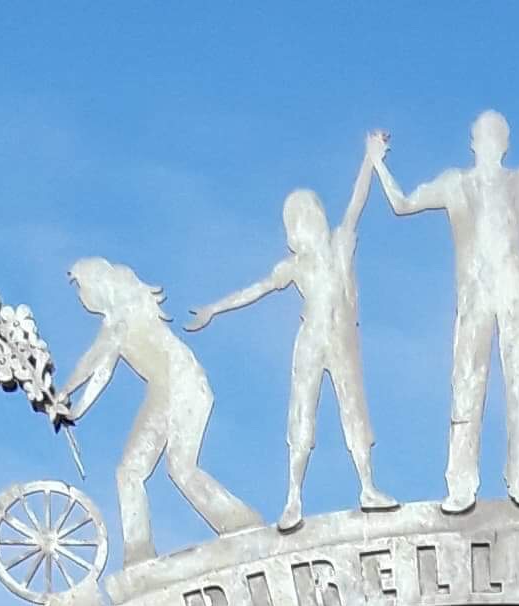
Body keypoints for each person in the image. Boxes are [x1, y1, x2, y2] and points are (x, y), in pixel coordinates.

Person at [370, 104, 519, 513]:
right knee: (467, 386)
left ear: (504, 144)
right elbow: (402, 203)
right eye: (483, 135)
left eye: (495, 136)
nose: (488, 142)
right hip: (474, 296)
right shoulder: (454, 184)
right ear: (474, 143)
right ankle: (460, 484)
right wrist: (376, 163)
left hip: (513, 293)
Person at [185, 142, 398, 530]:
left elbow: (356, 203)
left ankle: (367, 487)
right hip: (311, 340)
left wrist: (370, 160)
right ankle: (293, 499)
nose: (304, 225)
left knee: (354, 411)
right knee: (302, 416)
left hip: (341, 340)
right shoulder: (296, 265)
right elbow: (257, 289)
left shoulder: (339, 245)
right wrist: (214, 309)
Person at [53, 258, 261, 569]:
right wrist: (76, 409)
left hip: (182, 386)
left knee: (168, 469)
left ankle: (238, 524)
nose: (82, 297)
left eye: (82, 288)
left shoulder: (123, 319)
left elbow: (93, 362)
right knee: (145, 471)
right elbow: (102, 372)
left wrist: (65, 392)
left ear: (99, 287)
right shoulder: (117, 322)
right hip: (171, 389)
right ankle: (146, 549)